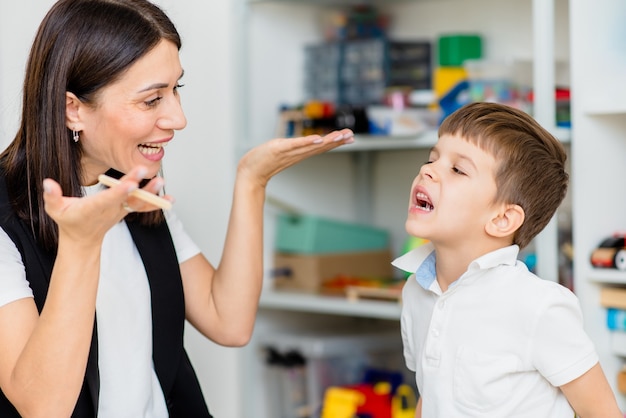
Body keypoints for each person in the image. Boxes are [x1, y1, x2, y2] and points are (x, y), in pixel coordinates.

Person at [0, 0, 354, 417]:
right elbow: (43, 406)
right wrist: (81, 245)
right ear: (72, 109)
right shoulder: (7, 220)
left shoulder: (136, 191)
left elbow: (229, 321)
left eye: (176, 90)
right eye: (152, 100)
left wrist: (253, 181)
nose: (178, 118)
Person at [392, 102, 622, 417]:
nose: (427, 170)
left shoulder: (538, 305)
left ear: (502, 219)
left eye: (458, 169)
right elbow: (430, 395)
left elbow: (603, 412)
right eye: (432, 159)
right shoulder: (415, 292)